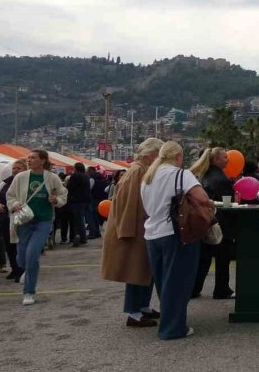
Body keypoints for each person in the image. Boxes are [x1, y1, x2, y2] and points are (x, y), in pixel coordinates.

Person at [140, 141, 210, 340]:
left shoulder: (148, 177)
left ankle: (170, 321)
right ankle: (173, 327)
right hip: (175, 233)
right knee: (178, 282)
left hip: (152, 234)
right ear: (178, 156)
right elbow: (202, 197)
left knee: (164, 282)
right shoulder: (181, 174)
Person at [100, 138, 164, 328]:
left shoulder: (138, 170)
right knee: (135, 270)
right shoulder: (137, 172)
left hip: (138, 227)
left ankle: (142, 306)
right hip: (135, 229)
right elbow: (130, 204)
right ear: (151, 155)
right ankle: (133, 312)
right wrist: (127, 231)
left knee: (144, 270)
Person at [6, 149, 68, 306]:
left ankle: (29, 292)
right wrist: (15, 204)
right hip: (24, 220)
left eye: (33, 158)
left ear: (43, 160)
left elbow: (63, 194)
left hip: (43, 220)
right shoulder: (21, 177)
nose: (29, 160)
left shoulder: (52, 177)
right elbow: (10, 195)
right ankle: (27, 269)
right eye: (28, 158)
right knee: (21, 257)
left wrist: (56, 200)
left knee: (33, 254)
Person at [188, 147, 236, 300]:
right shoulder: (221, 179)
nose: (227, 159)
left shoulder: (203, 175)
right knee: (223, 257)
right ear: (216, 160)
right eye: (224, 157)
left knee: (204, 257)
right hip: (220, 223)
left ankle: (194, 288)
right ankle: (222, 289)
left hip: (204, 222)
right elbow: (227, 203)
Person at [0, 159, 27, 281]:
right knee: (9, 244)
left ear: (25, 170)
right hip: (6, 217)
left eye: (18, 168)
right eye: (14, 168)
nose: (15, 170)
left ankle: (22, 270)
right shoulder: (5, 182)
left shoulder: (27, 181)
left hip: (22, 217)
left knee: (20, 244)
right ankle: (14, 268)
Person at [65, 162, 92, 247]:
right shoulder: (86, 176)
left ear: (76, 168)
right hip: (85, 200)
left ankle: (80, 237)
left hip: (76, 200)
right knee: (81, 218)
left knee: (78, 219)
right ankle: (82, 236)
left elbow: (70, 187)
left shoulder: (75, 175)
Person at [88, 167, 109, 238]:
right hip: (102, 201)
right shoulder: (103, 180)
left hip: (94, 200)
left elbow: (89, 189)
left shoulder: (91, 179)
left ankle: (94, 233)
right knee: (97, 217)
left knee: (93, 217)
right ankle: (97, 232)